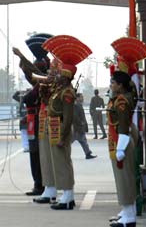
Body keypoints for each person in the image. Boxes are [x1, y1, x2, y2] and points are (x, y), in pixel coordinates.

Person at [44, 35, 92, 210]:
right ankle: (66, 196)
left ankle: (67, 196)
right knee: (59, 162)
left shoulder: (67, 93)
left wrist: (63, 136)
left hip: (61, 130)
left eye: (60, 75)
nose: (56, 77)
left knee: (63, 162)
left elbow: (68, 117)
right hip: (55, 128)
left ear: (66, 77)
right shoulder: (61, 90)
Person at [13, 33, 52, 199]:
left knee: (37, 155)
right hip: (33, 122)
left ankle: (41, 185)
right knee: (35, 154)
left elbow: (27, 96)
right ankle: (39, 184)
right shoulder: (39, 85)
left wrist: (22, 56)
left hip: (38, 122)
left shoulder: (43, 85)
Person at [107, 71, 139, 227]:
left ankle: (129, 217)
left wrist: (120, 149)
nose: (111, 85)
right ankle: (128, 212)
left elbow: (124, 127)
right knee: (124, 179)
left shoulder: (121, 102)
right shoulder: (124, 97)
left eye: (113, 82)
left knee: (124, 180)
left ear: (120, 85)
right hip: (121, 141)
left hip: (122, 142)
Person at [72, 94, 97, 159]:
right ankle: (88, 153)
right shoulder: (77, 105)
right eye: (81, 97)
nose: (82, 98)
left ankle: (88, 153)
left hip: (79, 127)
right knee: (75, 140)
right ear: (77, 98)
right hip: (78, 127)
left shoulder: (78, 105)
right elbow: (75, 116)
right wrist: (81, 123)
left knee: (83, 140)